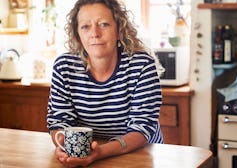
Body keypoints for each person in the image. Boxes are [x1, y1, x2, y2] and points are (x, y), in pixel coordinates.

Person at [46, 0, 163, 167]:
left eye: (104, 24)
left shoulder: (142, 65)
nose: (94, 33)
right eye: (85, 26)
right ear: (77, 34)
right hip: (89, 158)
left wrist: (100, 152)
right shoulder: (64, 66)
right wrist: (64, 146)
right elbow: (59, 121)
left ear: (119, 30)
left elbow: (141, 129)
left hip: (140, 156)